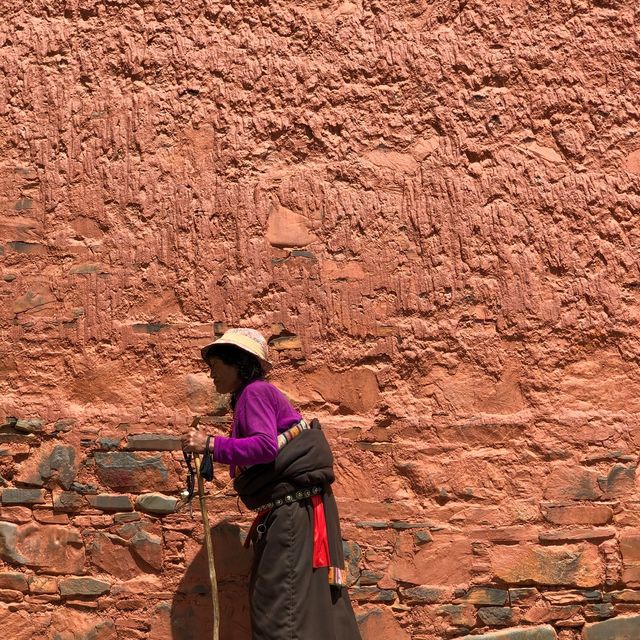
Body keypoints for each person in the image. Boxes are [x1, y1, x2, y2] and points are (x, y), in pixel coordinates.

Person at [182, 327, 362, 640]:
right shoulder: (252, 396)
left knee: (281, 613)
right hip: (292, 513)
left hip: (290, 518)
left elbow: (264, 447)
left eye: (215, 367)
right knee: (294, 608)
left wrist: (211, 444)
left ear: (238, 363)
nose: (211, 375)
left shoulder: (255, 393)